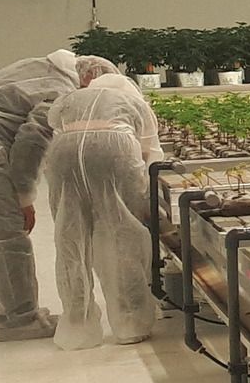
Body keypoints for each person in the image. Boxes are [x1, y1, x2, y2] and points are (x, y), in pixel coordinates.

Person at [0, 49, 119, 340]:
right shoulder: (61, 90)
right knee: (6, 235)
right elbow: (32, 142)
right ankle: (18, 321)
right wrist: (24, 198)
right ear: (89, 81)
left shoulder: (38, 66)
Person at [43, 70, 163, 347]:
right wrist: (143, 196)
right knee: (125, 234)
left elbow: (54, 123)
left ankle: (76, 325)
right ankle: (130, 322)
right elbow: (152, 154)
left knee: (70, 234)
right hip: (115, 149)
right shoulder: (133, 102)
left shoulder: (71, 98)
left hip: (63, 153)